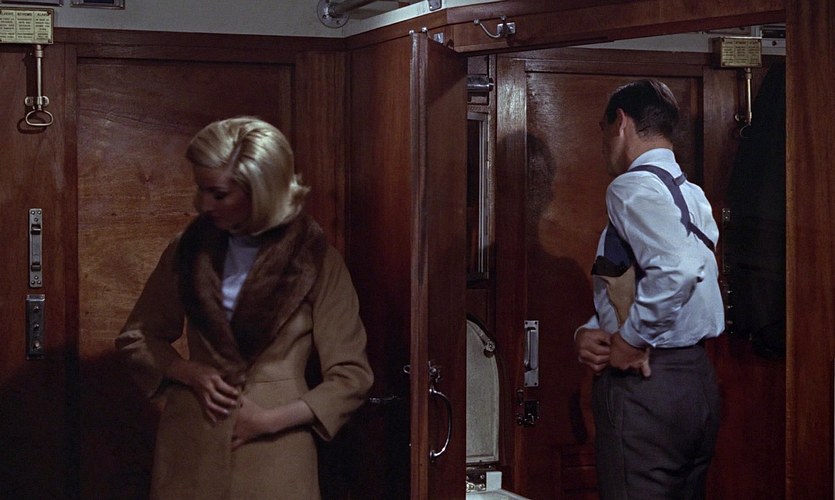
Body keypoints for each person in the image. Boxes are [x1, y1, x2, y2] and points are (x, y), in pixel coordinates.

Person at [115, 116, 374, 499]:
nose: (203, 204)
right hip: (191, 447)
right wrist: (187, 370)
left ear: (260, 191)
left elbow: (352, 376)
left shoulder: (316, 260)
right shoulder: (187, 251)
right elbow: (138, 337)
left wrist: (268, 421)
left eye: (218, 194)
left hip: (277, 454)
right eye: (201, 190)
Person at [574, 79, 724, 499]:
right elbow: (676, 278)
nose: (604, 143)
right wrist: (592, 329)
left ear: (620, 123)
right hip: (695, 382)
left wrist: (630, 339)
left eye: (603, 129)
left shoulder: (632, 186)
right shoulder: (690, 194)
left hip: (647, 386)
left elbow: (678, 269)